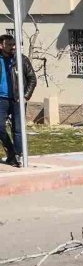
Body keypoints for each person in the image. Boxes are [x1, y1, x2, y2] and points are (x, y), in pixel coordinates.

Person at [0, 34, 37, 167]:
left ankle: (18, 155)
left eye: (13, 44)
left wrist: (25, 96)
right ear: (1, 45)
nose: (12, 47)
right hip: (1, 99)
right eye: (9, 45)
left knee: (18, 128)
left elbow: (32, 79)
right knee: (0, 127)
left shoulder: (21, 60)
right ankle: (11, 152)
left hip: (17, 99)